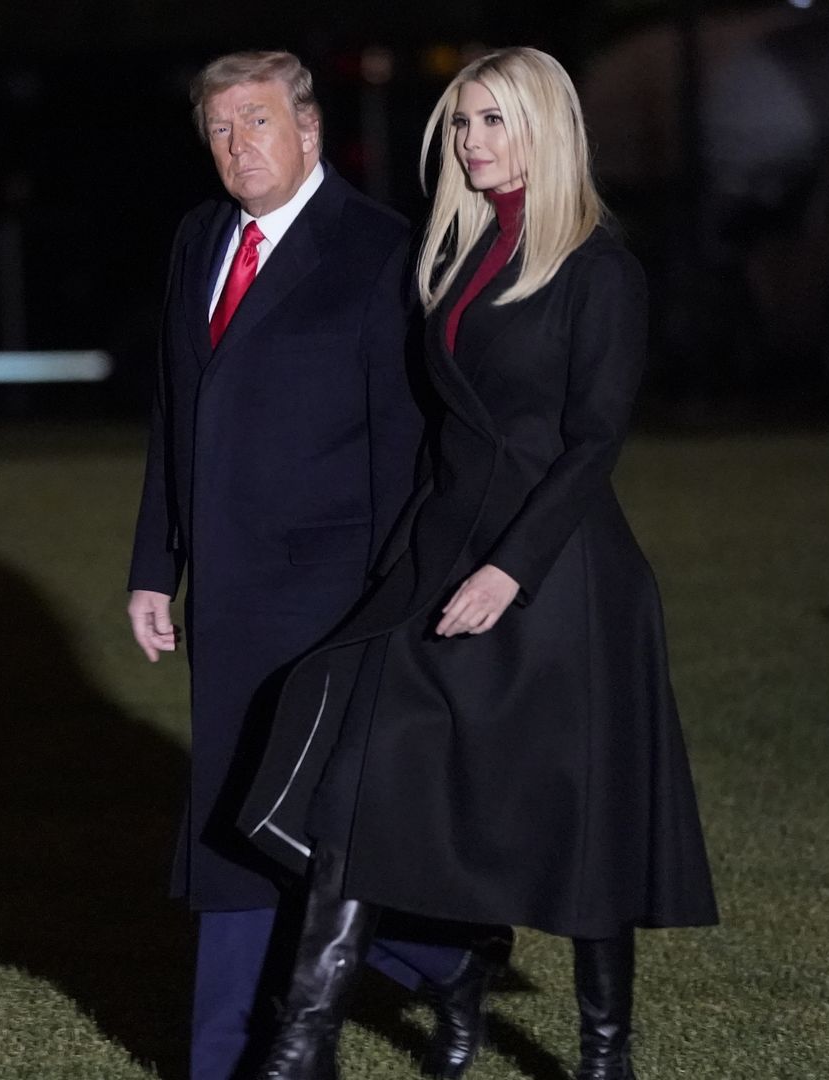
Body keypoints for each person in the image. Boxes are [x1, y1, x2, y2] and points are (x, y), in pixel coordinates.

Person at [237, 47, 720, 1080]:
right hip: (440, 552)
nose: (472, 142)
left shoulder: (599, 268)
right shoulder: (453, 255)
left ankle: (604, 1056)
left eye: (494, 121)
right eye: (461, 124)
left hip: (562, 576)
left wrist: (512, 570)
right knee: (361, 774)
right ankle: (308, 1041)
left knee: (579, 816)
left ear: (547, 128)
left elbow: (594, 442)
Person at [127, 50, 498, 1080]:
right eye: (219, 128)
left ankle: (404, 969)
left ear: (309, 132)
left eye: (256, 121)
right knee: (234, 817)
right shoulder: (199, 239)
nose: (237, 144)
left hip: (334, 595)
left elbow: (407, 442)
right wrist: (155, 562)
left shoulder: (380, 249)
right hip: (227, 597)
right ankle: (417, 966)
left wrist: (396, 601)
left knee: (297, 822)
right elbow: (177, 412)